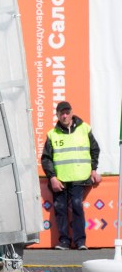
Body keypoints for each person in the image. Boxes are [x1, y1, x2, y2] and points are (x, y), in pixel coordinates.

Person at [41, 101, 101, 250]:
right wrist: (52, 177)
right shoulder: (52, 134)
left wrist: (94, 169)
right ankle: (64, 242)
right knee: (60, 208)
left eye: (67, 112)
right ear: (57, 115)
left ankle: (80, 242)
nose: (65, 115)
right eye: (62, 113)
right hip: (59, 179)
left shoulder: (84, 129)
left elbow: (95, 150)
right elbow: (46, 158)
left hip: (79, 177)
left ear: (72, 112)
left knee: (76, 206)